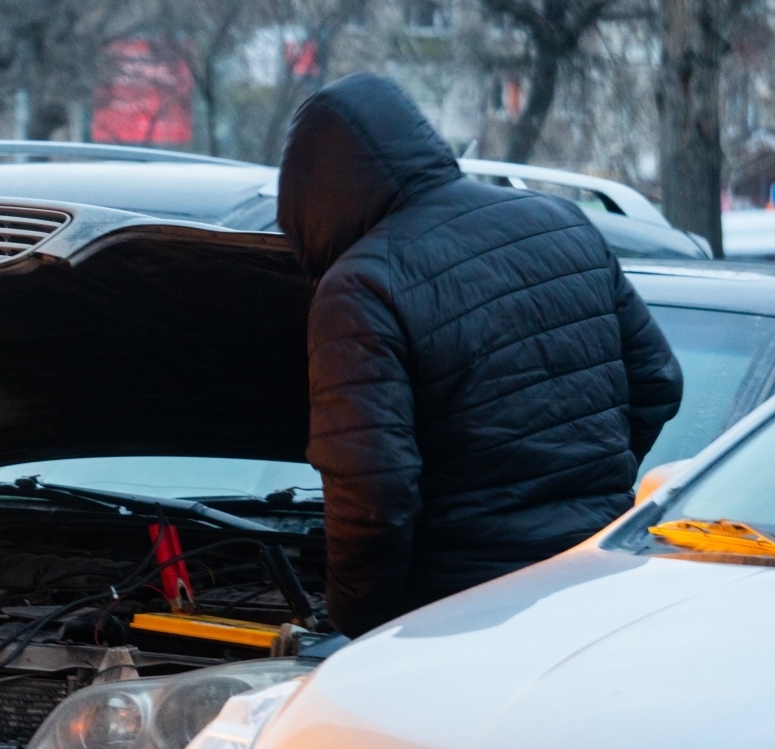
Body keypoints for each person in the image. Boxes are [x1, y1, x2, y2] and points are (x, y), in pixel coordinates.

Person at [279, 73, 683, 638]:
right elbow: (660, 381)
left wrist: (361, 624)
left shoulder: (362, 285)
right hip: (592, 586)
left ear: (312, 195)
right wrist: (587, 489)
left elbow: (375, 491)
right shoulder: (559, 221)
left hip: (460, 610)